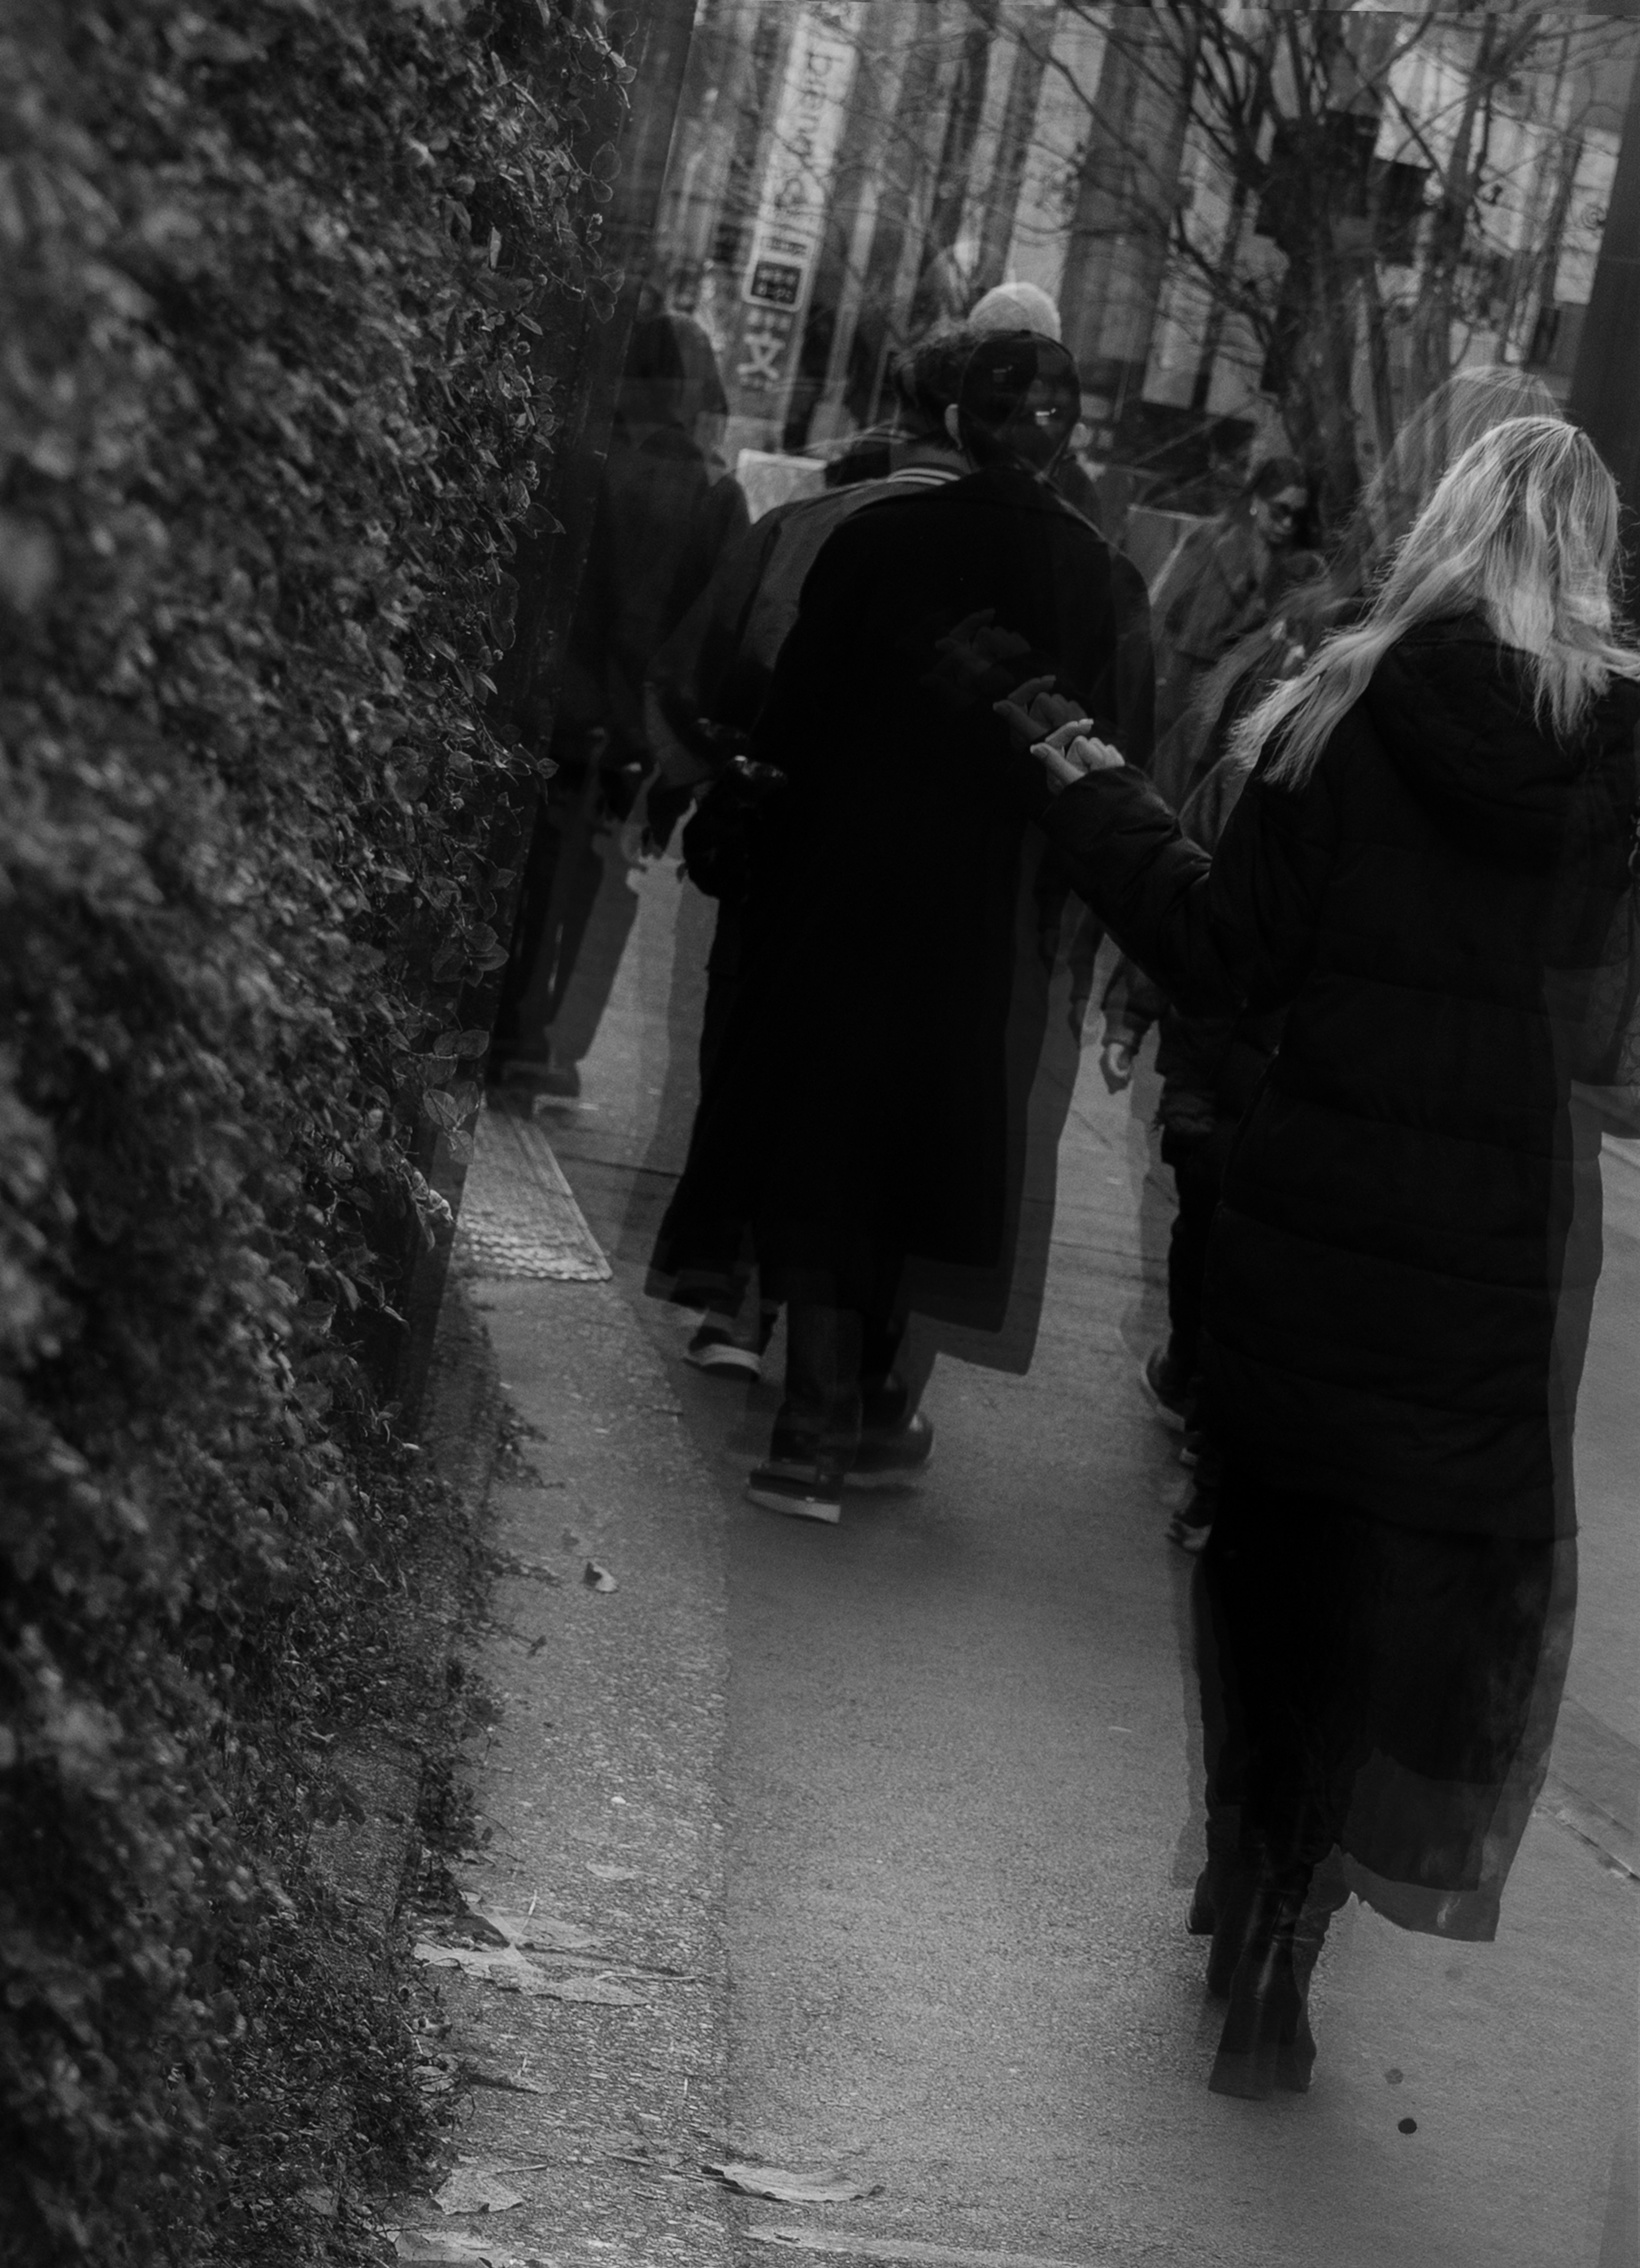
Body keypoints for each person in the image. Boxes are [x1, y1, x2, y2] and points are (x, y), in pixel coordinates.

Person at [996, 415, 1640, 2098]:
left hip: (1314, 1199)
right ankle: (1300, 1920)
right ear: (1587, 552)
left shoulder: (1339, 708)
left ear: (1444, 523)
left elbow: (1224, 956)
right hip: (1503, 1228)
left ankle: (1251, 1858)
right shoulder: (1627, 751)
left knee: (1273, 1553)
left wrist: (1094, 798)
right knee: (1422, 1571)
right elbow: (1621, 1026)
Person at [652, 330, 1154, 1523]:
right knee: (930, 1154)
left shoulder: (873, 541)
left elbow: (792, 723)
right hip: (991, 920)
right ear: (1063, 433)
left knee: (826, 1140)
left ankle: (812, 1421)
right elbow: (1106, 778)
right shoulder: (1098, 583)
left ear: (954, 418)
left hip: (842, 889)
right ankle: (872, 1399)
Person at [1135, 368, 1563, 1560]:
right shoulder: (1597, 735)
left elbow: (1235, 905)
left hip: (1302, 1094)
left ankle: (1227, 1455)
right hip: (1479, 1159)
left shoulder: (1339, 665)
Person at [642, 316, 992, 1379]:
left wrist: (694, 779)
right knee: (877, 1096)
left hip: (785, 844)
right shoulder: (1033, 552)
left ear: (906, 407)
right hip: (937, 879)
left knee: (753, 1053)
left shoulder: (812, 524)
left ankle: (733, 1299)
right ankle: (843, 1362)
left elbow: (706, 669)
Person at [490, 300, 748, 1094]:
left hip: (555, 717)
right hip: (643, 741)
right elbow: (719, 640)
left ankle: (514, 1030)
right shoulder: (712, 494)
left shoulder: (580, 461)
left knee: (533, 871)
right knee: (599, 888)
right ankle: (552, 1042)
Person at [1149, 457, 1316, 762]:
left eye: (1298, 515)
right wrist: (1154, 677)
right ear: (1257, 499)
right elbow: (1163, 610)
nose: (1288, 524)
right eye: (1280, 511)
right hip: (1183, 695)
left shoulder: (1302, 568)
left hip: (1239, 708)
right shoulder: (1211, 542)